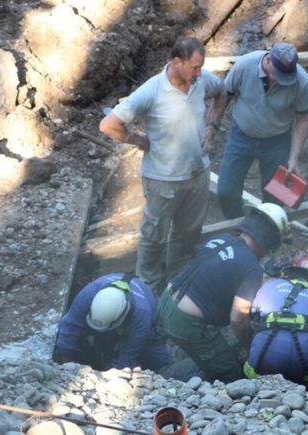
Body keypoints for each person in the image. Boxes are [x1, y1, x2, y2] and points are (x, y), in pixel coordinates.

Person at [99, 36, 225, 291]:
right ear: (176, 62)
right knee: (153, 237)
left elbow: (221, 93)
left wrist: (212, 126)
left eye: (201, 67)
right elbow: (108, 124)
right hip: (163, 180)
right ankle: (147, 287)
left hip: (197, 174)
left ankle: (177, 282)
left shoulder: (201, 80)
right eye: (194, 67)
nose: (199, 72)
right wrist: (136, 138)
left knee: (188, 233)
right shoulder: (151, 90)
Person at [157, 203, 289, 382]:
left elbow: (220, 272)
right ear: (270, 239)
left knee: (208, 354)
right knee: (231, 374)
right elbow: (238, 318)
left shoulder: (221, 239)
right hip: (186, 321)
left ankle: (165, 376)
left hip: (166, 300)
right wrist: (247, 348)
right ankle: (172, 382)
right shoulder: (251, 268)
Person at [210, 42, 308, 218]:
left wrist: (293, 158)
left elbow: (303, 119)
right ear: (268, 60)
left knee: (274, 197)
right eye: (276, 75)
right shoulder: (245, 65)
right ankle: (237, 226)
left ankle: (266, 232)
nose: (278, 80)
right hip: (241, 135)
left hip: (277, 141)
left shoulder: (300, 81)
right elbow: (224, 96)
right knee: (226, 191)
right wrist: (212, 126)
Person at [55, 273, 170, 371]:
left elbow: (127, 358)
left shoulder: (141, 317)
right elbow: (69, 329)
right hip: (110, 316)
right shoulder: (88, 295)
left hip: (147, 325)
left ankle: (169, 373)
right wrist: (66, 364)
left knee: (157, 359)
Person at [244, 257, 308, 384]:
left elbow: (253, 317)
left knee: (250, 370)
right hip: (304, 370)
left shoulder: (270, 285)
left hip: (261, 363)